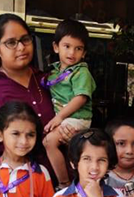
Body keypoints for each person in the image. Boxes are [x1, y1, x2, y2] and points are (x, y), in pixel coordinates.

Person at [0, 13, 77, 180]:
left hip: (62, 182)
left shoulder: (48, 80)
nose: (21, 47)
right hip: (12, 184)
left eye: (25, 39)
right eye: (11, 43)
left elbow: (76, 118)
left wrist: (71, 134)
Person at [42, 19, 97, 185]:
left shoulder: (81, 72)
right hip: (67, 117)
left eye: (78, 48)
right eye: (67, 46)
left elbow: (81, 98)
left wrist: (59, 117)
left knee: (49, 142)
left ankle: (64, 183)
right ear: (56, 47)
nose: (72, 53)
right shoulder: (54, 71)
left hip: (77, 117)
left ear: (84, 53)